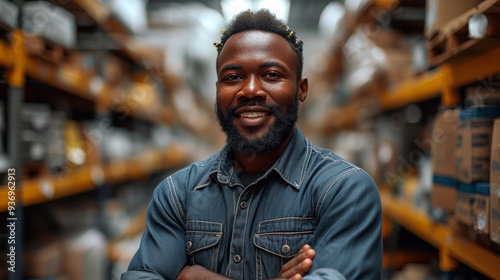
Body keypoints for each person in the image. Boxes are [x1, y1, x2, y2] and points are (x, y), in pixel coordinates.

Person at [122, 9, 382, 280]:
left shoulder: (344, 190)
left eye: (271, 74)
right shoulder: (177, 194)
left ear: (301, 89)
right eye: (232, 77)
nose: (250, 90)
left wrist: (197, 277)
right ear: (217, 90)